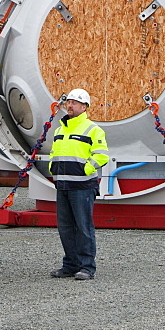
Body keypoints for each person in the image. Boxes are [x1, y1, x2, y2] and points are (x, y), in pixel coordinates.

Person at [48, 88, 109, 281]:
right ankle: (70, 265)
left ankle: (87, 267)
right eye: (69, 102)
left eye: (74, 103)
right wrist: (52, 168)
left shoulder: (93, 129)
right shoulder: (59, 130)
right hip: (63, 185)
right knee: (65, 227)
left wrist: (85, 169)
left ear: (84, 107)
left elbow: (101, 155)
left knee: (83, 227)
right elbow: (54, 153)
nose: (70, 106)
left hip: (82, 187)